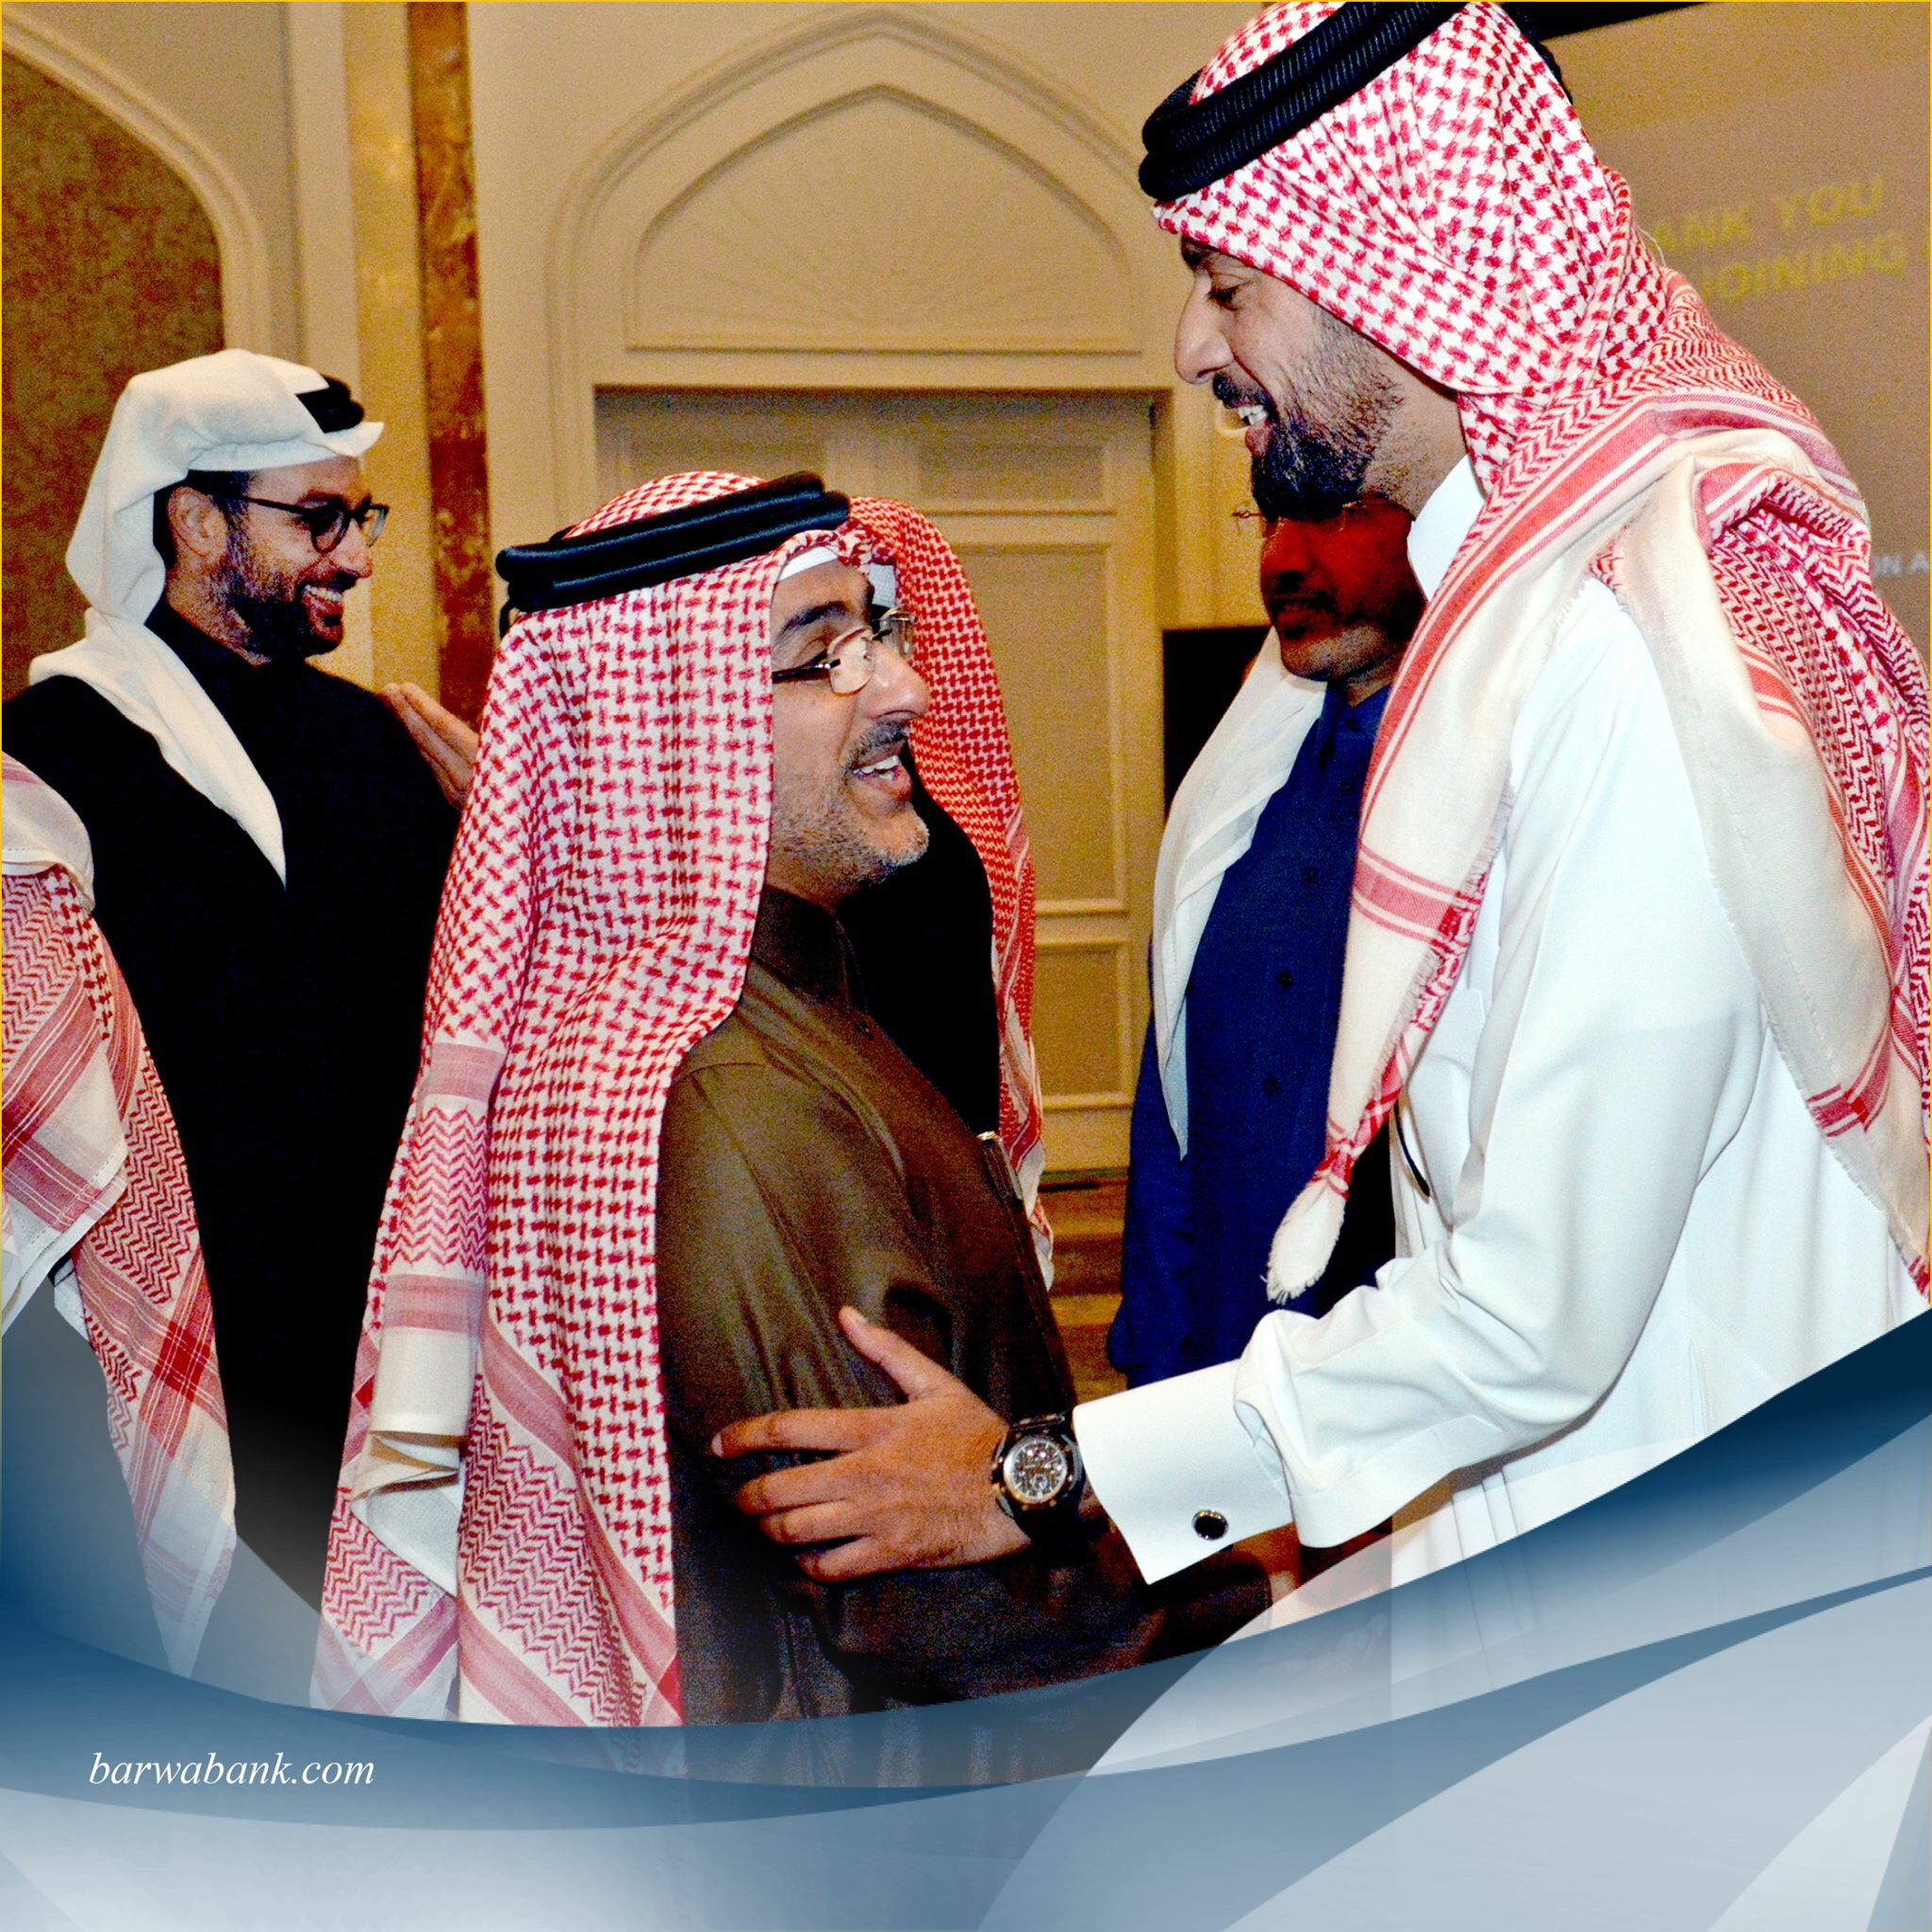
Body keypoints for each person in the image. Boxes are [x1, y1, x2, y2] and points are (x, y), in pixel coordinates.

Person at [712, 2, 1927, 1611]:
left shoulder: (1622, 652)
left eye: (1230, 286)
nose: (1191, 349)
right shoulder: (1533, 611)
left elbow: (1531, 1318)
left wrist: (1034, 1479)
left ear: (1396, 263)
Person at [315, 473, 1263, 1730]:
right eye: (824, 657)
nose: (904, 691)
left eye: (880, 637)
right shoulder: (735, 1094)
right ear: (674, 734)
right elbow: (928, 1608)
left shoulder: (757, 1010)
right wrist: (1258, 1603)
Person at [3, 350, 460, 1606]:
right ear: (196, 521)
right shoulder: (45, 759)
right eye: (317, 519)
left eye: (357, 517)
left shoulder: (379, 746)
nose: (354, 557)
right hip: (165, 1333)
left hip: (380, 1329)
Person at [1110, 496, 1422, 1388]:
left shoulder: (1506, 794)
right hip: (1220, 1377)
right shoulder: (1239, 795)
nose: (1281, 562)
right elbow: (1172, 1102)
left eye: (1330, 514)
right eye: (1268, 518)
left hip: (1405, 1397)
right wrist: (1157, 1364)